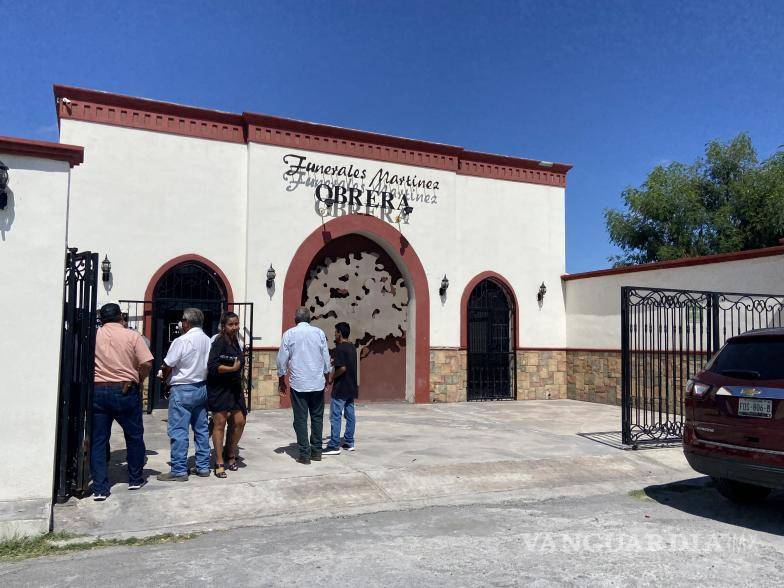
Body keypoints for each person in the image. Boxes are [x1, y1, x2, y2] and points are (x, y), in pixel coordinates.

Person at [91, 303, 154, 500]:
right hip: (125, 389)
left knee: (99, 440)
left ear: (101, 318)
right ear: (121, 317)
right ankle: (135, 479)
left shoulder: (93, 335)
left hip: (98, 389)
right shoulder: (132, 335)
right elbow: (146, 362)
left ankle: (100, 488)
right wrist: (138, 378)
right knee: (134, 435)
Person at [157, 307, 212, 481]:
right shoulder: (207, 340)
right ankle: (203, 466)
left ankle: (179, 469)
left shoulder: (182, 340)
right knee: (201, 429)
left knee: (179, 430)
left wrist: (164, 380)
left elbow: (168, 364)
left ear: (186, 322)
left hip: (183, 388)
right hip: (201, 387)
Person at [276, 306, 331, 465]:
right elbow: (326, 358)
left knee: (300, 419)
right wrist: (326, 377)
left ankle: (304, 454)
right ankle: (317, 451)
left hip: (298, 382)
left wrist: (281, 380)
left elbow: (281, 360)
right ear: (309, 319)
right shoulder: (319, 333)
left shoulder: (289, 334)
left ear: (295, 320)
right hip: (316, 382)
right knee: (317, 417)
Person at [207, 312, 247, 478]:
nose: (235, 327)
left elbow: (240, 363)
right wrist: (232, 369)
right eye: (231, 324)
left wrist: (240, 376)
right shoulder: (218, 342)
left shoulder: (236, 341)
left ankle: (230, 452)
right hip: (220, 388)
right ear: (223, 326)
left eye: (236, 324)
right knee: (220, 423)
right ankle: (219, 461)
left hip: (235, 388)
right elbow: (213, 366)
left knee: (239, 421)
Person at [323, 322, 358, 455]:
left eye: (336, 332)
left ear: (340, 333)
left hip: (341, 387)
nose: (334, 334)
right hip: (351, 387)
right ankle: (349, 442)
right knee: (350, 415)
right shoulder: (351, 347)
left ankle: (333, 445)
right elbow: (346, 363)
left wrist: (331, 377)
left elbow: (342, 368)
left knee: (335, 415)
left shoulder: (340, 348)